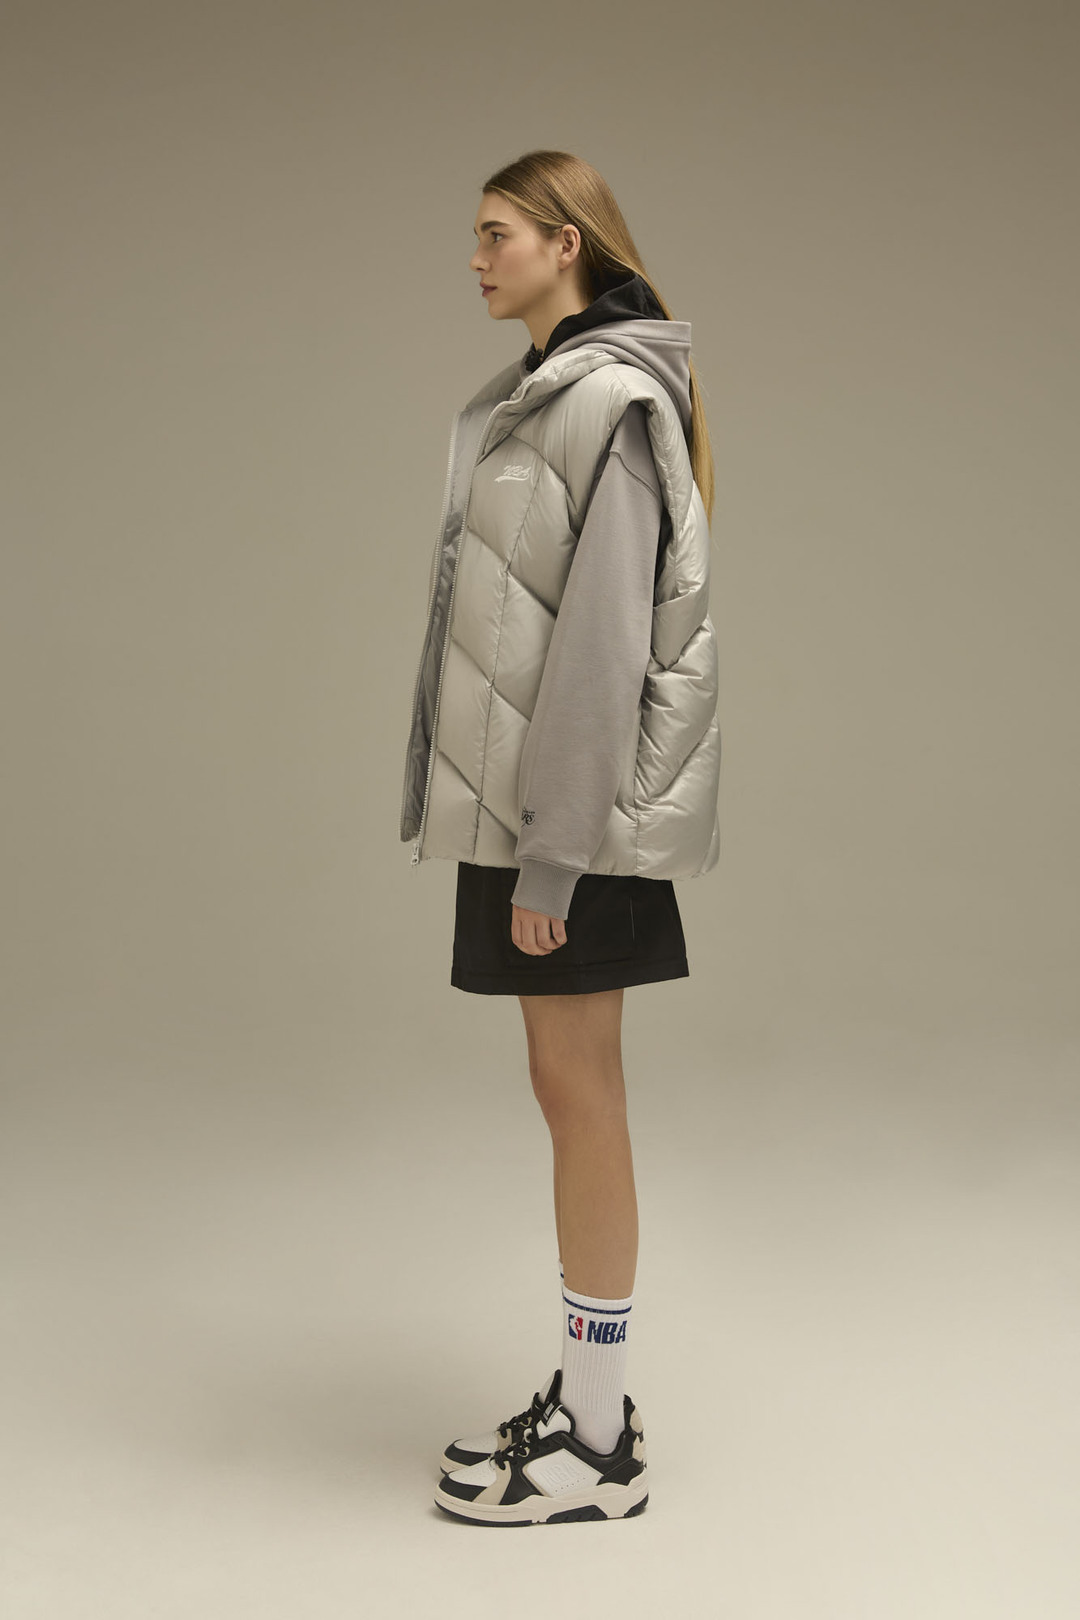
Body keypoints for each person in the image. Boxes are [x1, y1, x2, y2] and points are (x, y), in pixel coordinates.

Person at [399, 149, 721, 1525]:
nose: (475, 259)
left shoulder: (611, 400)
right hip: (539, 813)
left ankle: (595, 1445)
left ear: (566, 241)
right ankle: (590, 1411)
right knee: (568, 1091)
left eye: (496, 234)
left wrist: (556, 852)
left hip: (568, 827)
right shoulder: (547, 393)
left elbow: (602, 645)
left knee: (582, 1096)